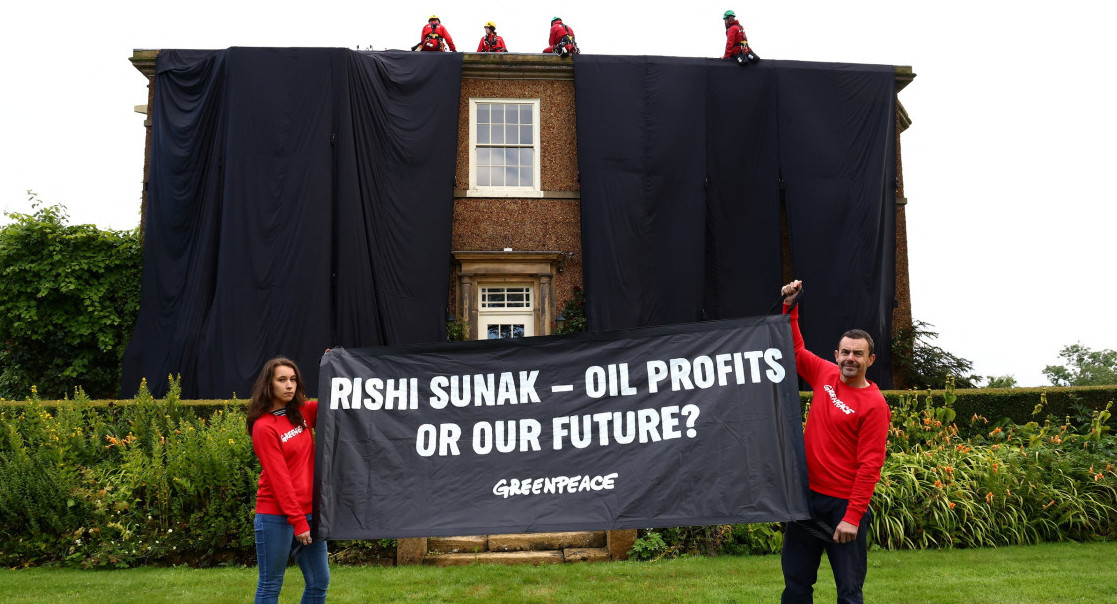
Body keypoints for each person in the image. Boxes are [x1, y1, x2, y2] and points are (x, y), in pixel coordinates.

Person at [779, 280, 889, 604]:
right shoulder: (825, 375)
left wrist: (853, 517)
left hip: (842, 506)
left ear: (870, 359)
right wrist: (790, 308)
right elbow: (796, 351)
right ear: (836, 354)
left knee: (849, 592)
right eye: (845, 352)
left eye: (858, 353)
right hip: (805, 500)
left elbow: (870, 465)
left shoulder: (874, 405)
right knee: (796, 586)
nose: (850, 358)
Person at [247, 357, 329, 603]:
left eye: (293, 379)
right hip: (275, 515)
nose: (289, 385)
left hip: (309, 512)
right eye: (282, 380)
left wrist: (333, 364)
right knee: (271, 584)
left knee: (319, 582)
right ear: (268, 385)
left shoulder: (301, 412)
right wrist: (298, 522)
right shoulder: (264, 427)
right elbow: (279, 479)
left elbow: (333, 403)